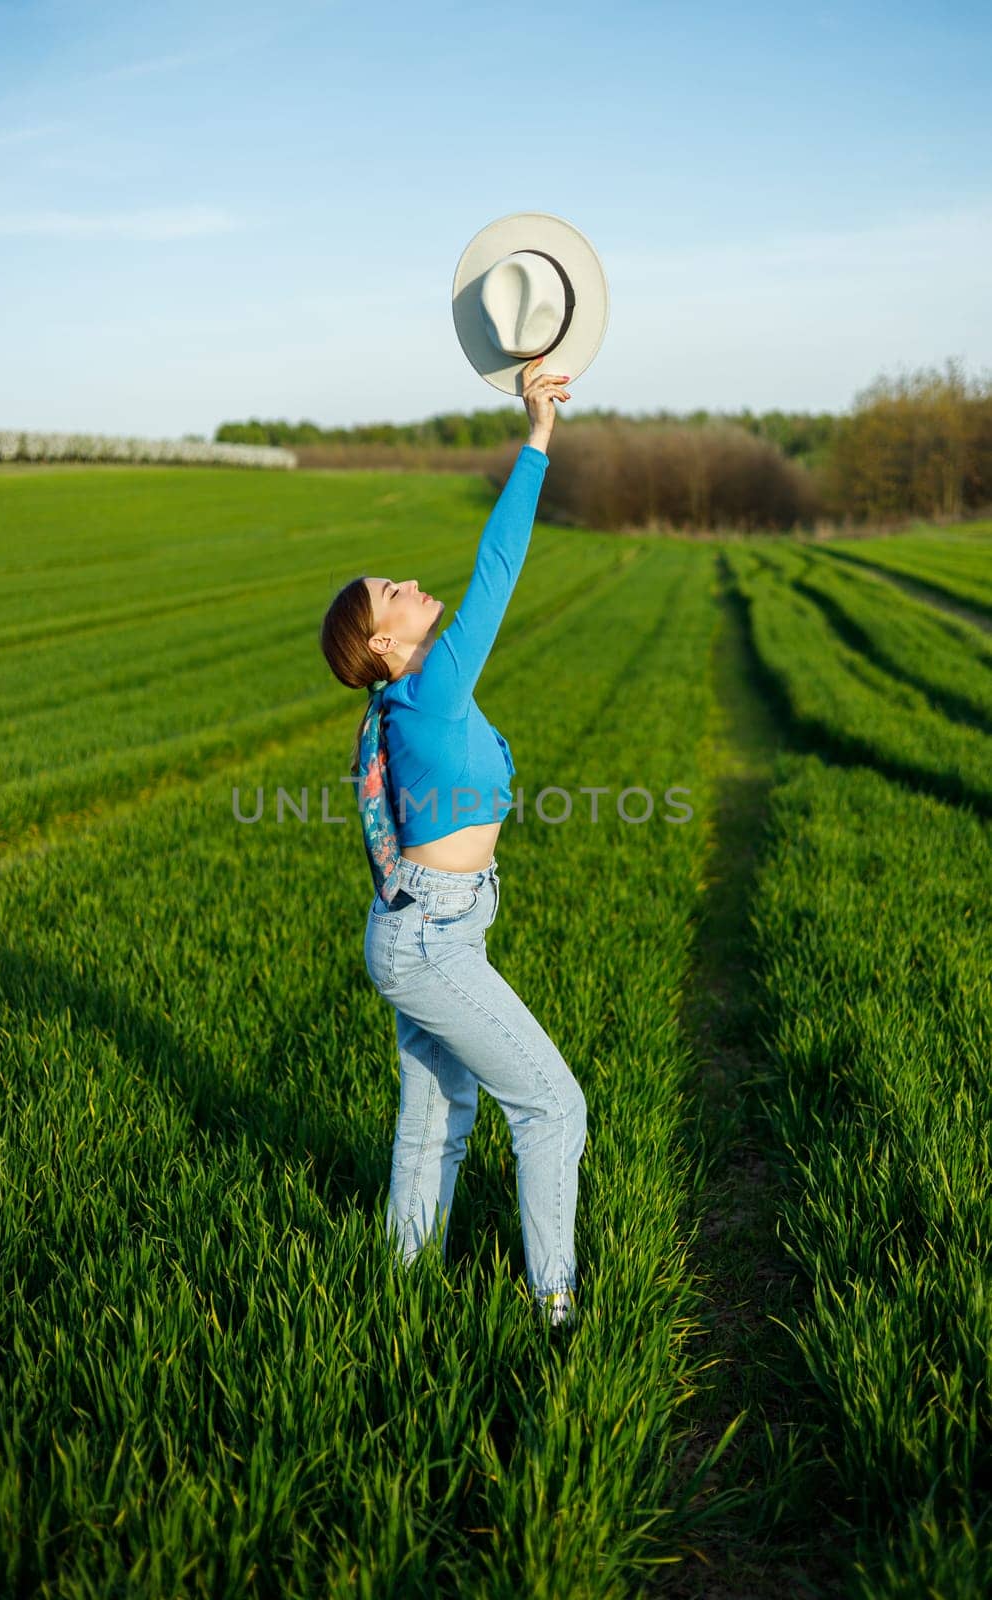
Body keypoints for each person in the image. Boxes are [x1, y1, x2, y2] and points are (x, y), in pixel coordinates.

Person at [319, 359, 587, 1327]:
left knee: (438, 1116)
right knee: (553, 1107)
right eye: (391, 589)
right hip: (429, 936)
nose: (411, 583)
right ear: (380, 643)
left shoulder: (410, 698)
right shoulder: (423, 689)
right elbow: (499, 565)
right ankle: (555, 1305)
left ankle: (400, 1294)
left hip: (432, 928)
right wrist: (536, 433)